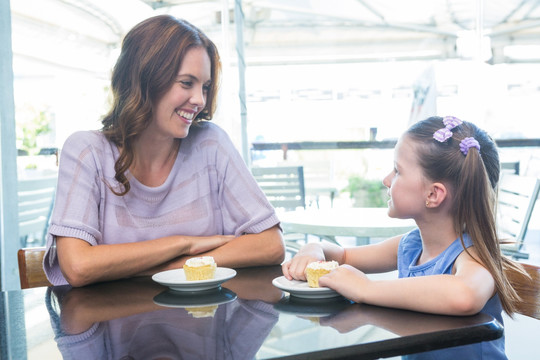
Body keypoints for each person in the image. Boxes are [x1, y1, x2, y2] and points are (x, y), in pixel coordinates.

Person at [43, 15, 285, 287]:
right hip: (111, 323)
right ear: (144, 79)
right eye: (186, 83)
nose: (199, 100)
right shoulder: (87, 151)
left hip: (202, 320)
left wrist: (172, 268)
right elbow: (78, 266)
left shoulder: (210, 143)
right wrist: (185, 244)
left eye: (204, 86)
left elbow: (271, 244)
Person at [282, 116, 529, 359]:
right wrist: (314, 249)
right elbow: (343, 255)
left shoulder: (473, 254)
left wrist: (365, 288)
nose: (386, 180)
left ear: (433, 194)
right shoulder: (411, 245)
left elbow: (465, 295)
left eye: (397, 171)